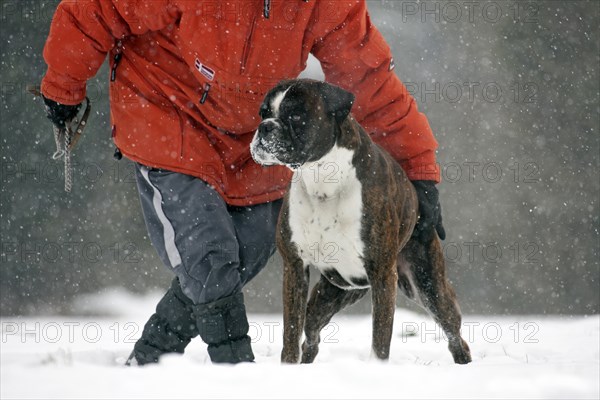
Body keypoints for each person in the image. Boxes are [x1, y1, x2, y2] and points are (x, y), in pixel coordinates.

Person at [40, 0, 445, 365]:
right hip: (167, 109)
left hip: (253, 134)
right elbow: (95, 9)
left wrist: (419, 172)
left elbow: (369, 81)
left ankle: (149, 361)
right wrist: (63, 86)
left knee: (253, 241)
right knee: (208, 249)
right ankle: (235, 372)